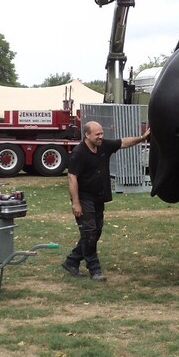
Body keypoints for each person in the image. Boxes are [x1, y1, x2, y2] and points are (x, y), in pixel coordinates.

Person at [62, 120, 149, 281]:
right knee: (89, 233)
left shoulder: (103, 146)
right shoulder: (78, 153)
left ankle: (72, 260)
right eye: (97, 134)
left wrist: (142, 138)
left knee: (96, 231)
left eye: (102, 133)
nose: (101, 137)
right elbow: (71, 177)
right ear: (87, 135)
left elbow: (123, 142)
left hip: (98, 197)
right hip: (84, 197)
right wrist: (76, 202)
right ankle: (94, 270)